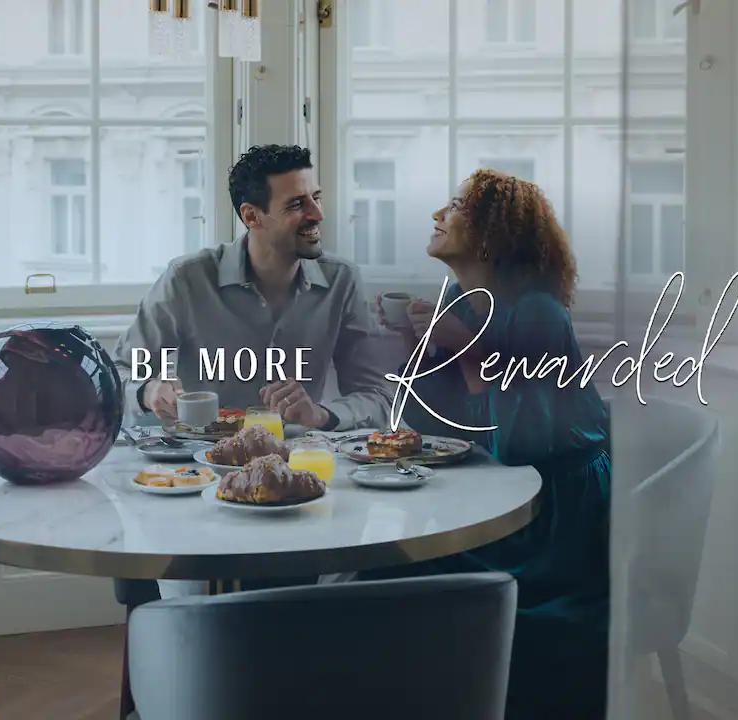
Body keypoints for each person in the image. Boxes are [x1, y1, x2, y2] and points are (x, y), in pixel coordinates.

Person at [366, 169, 612, 719]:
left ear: (490, 233)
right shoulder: (461, 298)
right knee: (381, 571)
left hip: (556, 516)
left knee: (389, 572)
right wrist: (418, 346)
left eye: (453, 206)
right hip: (509, 495)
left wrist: (473, 356)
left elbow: (519, 445)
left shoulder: (538, 313)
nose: (437, 215)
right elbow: (443, 419)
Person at [114, 144, 393, 596]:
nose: (317, 213)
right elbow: (121, 371)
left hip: (299, 478)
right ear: (252, 216)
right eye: (297, 204)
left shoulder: (341, 281)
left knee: (350, 574)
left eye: (316, 197)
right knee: (193, 610)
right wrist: (150, 390)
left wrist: (321, 415)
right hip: (198, 477)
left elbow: (379, 395)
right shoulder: (187, 279)